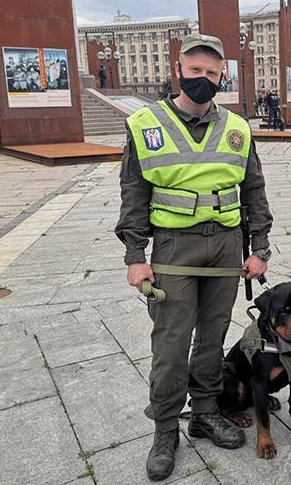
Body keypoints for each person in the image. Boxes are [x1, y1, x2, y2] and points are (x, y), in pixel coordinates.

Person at [116, 34, 273, 481]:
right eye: (194, 71)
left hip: (225, 245)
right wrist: (135, 256)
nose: (203, 79)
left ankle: (204, 411)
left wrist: (259, 247)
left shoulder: (239, 128)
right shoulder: (147, 124)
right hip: (173, 249)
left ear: (221, 75)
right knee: (170, 344)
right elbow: (134, 193)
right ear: (177, 70)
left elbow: (254, 189)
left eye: (211, 72)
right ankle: (165, 429)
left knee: (213, 335)